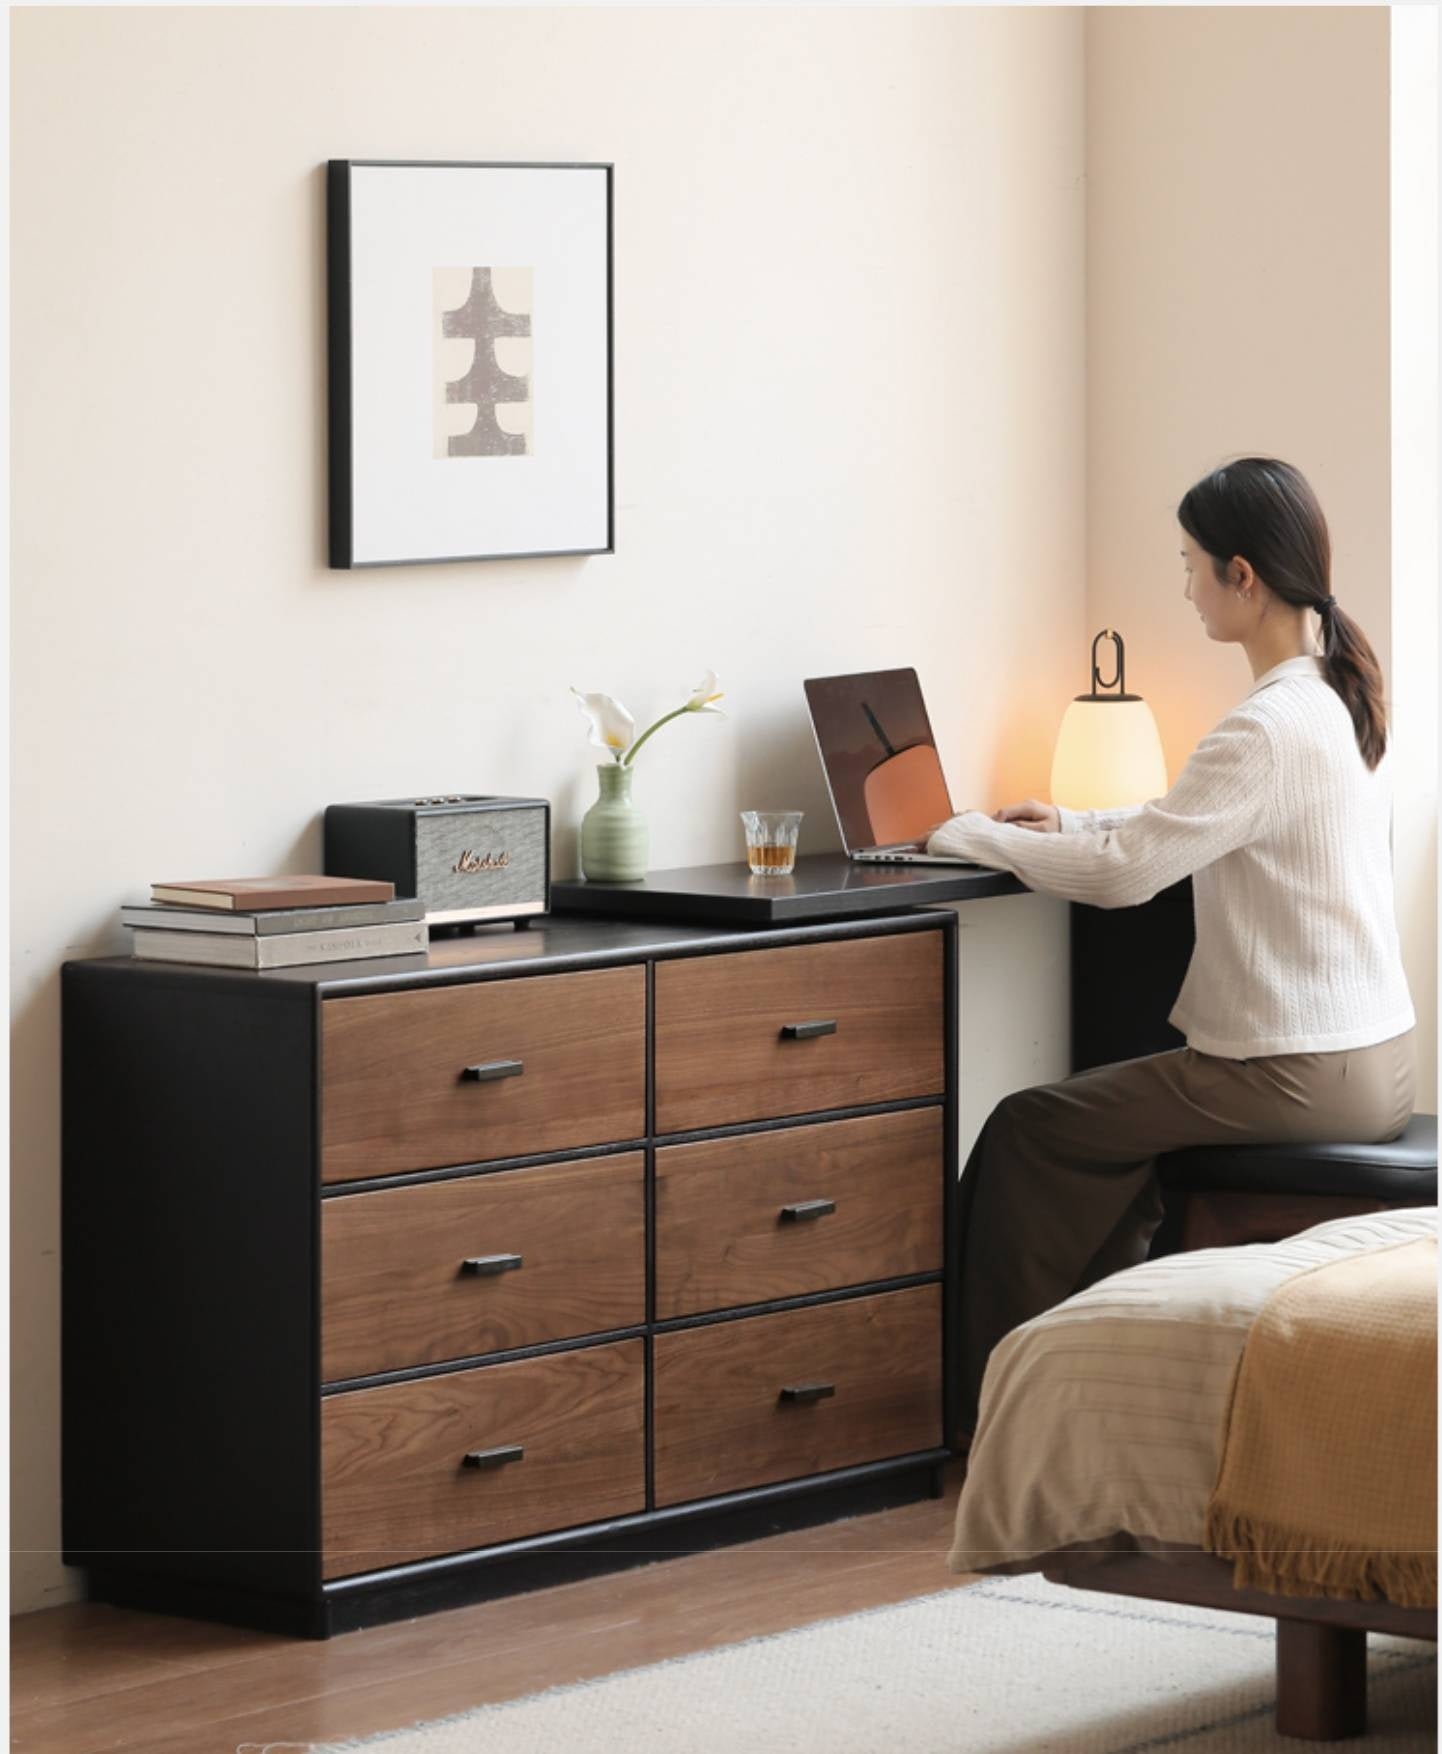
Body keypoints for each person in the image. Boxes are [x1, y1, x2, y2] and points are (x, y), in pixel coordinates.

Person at [927, 456, 1418, 1437]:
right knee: (1112, 1138)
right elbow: (1185, 823)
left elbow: (1128, 874)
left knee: (1030, 1127)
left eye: (1191, 566)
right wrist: (1063, 819)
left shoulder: (1264, 724)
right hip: (1378, 1061)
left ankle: (993, 1407)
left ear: (1242, 576)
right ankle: (1093, 1379)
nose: (1183, 588)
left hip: (1292, 1071)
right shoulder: (1332, 695)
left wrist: (970, 835)